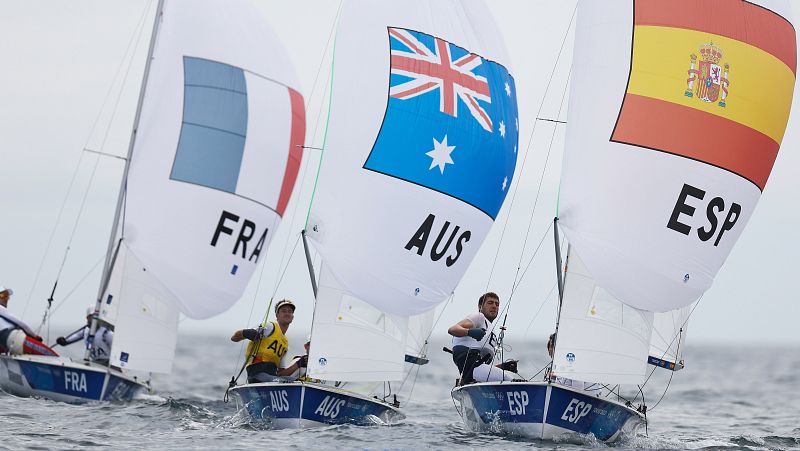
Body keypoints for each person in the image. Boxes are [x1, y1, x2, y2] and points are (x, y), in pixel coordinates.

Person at [447, 292, 520, 384]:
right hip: (470, 370)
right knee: (508, 379)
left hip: (472, 374)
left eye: (497, 304)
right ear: (480, 307)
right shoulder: (479, 317)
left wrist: (502, 366)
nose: (494, 306)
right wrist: (470, 332)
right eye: (490, 303)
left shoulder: (489, 328)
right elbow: (452, 329)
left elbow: (481, 368)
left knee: (506, 376)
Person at [231, 299, 307, 383]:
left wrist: (299, 363)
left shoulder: (285, 343)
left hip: (272, 376)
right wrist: (247, 333)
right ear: (277, 315)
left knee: (299, 382)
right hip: (256, 374)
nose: (287, 313)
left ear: (292, 317)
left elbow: (281, 373)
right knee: (284, 382)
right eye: (284, 311)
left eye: (290, 311)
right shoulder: (270, 326)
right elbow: (234, 338)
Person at [0, 286, 58, 356]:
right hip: (14, 339)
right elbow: (20, 323)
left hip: (6, 342)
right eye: (2, 296)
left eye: (7, 296)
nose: (6, 299)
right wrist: (34, 336)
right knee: (50, 354)